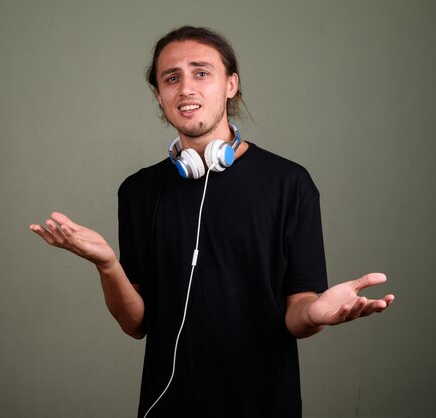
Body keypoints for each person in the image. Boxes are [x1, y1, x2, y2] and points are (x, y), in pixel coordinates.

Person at [30, 26, 394, 418]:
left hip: (264, 405)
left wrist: (317, 314)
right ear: (159, 95)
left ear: (230, 85)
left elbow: (298, 310)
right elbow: (137, 323)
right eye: (171, 78)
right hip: (167, 405)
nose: (186, 88)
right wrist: (107, 265)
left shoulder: (289, 183)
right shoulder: (137, 191)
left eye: (201, 72)